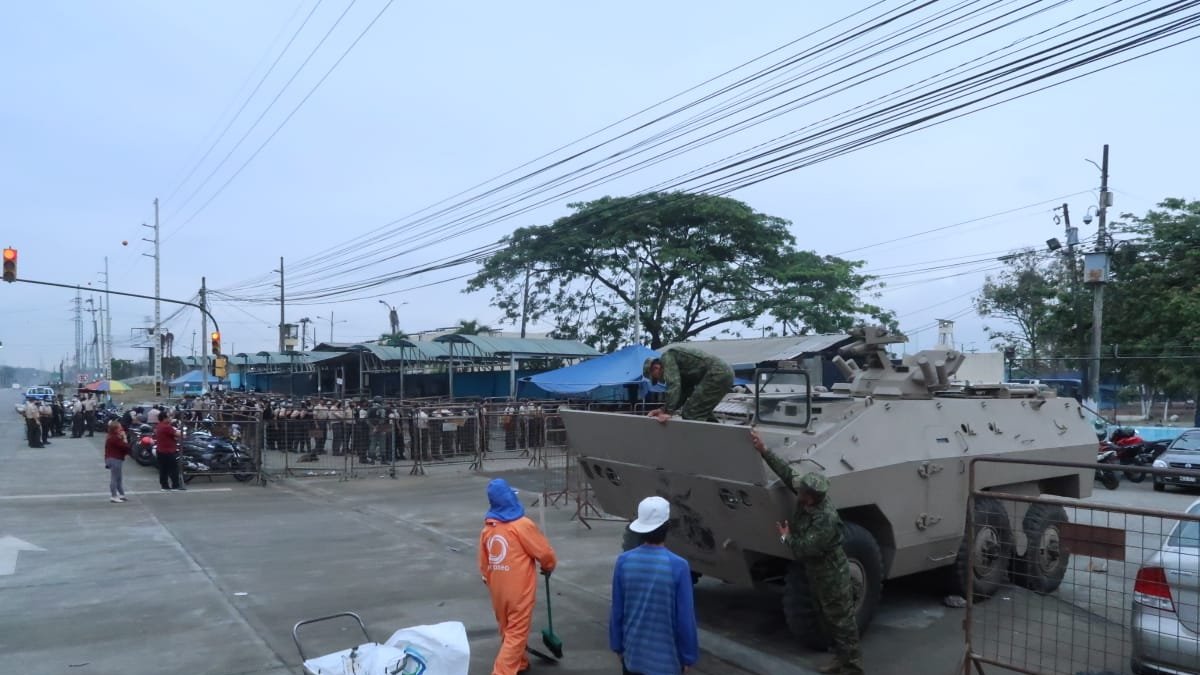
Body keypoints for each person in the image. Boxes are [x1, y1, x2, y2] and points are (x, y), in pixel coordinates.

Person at [751, 430, 863, 675]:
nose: (797, 492)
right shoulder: (809, 497)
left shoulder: (826, 520)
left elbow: (802, 548)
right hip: (817, 571)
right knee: (827, 618)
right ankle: (838, 660)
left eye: (801, 493)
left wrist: (785, 535)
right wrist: (764, 450)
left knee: (841, 622)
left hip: (831, 574)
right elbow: (787, 473)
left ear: (810, 499)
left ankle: (852, 667)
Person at [609, 496, 699, 675]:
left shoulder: (624, 562)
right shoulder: (678, 566)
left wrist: (617, 646)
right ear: (668, 527)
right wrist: (688, 656)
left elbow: (617, 609)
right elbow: (685, 618)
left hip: (632, 658)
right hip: (667, 663)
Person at [478, 478, 557, 675]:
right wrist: (548, 566)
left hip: (497, 588)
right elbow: (544, 553)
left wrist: (489, 580)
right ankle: (502, 672)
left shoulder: (488, 528)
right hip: (518, 590)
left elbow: (484, 563)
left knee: (506, 627)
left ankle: (519, 662)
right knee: (516, 632)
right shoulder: (522, 525)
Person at [643, 346, 734, 423]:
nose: (659, 380)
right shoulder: (683, 371)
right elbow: (683, 393)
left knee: (690, 412)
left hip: (717, 372)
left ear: (656, 368)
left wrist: (668, 412)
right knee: (701, 412)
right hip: (723, 373)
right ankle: (719, 438)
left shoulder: (667, 357)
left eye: (655, 378)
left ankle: (701, 442)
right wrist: (663, 409)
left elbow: (674, 385)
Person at [155, 412, 183, 491]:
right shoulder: (167, 427)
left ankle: (164, 486)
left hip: (160, 450)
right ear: (164, 418)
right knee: (173, 469)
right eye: (169, 417)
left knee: (163, 469)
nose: (170, 418)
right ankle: (175, 486)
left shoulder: (159, 425)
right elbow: (179, 434)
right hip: (168, 451)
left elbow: (171, 436)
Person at [104, 419, 130, 503]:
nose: (121, 430)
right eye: (120, 428)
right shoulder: (115, 438)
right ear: (115, 429)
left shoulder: (111, 437)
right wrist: (125, 438)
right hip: (115, 459)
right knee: (115, 478)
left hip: (112, 458)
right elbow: (125, 447)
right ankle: (114, 496)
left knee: (118, 478)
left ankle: (121, 494)